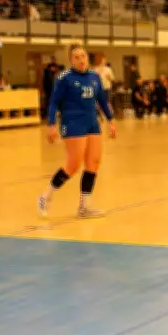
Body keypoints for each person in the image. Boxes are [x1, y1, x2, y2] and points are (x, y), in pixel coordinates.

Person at [38, 44, 116, 219]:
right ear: (71, 60)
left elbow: (102, 101)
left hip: (92, 122)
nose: (81, 60)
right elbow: (53, 103)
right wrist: (51, 125)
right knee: (73, 165)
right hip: (72, 122)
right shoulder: (64, 78)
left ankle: (84, 207)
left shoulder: (94, 77)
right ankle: (46, 197)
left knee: (93, 163)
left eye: (83, 56)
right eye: (77, 57)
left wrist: (111, 120)